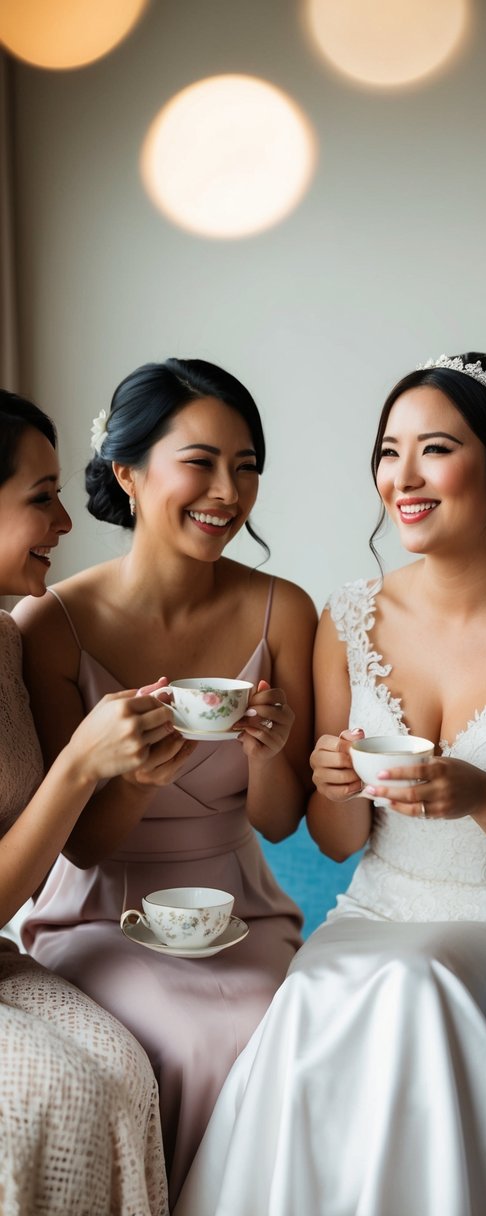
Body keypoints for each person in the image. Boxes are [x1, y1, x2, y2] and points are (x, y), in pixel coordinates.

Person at [174, 350, 486, 1216]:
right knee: (317, 989)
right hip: (376, 911)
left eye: (434, 449)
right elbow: (333, 841)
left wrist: (482, 794)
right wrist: (337, 783)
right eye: (388, 451)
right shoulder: (347, 617)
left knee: (412, 985)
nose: (403, 477)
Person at [14, 359, 316, 1203]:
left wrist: (266, 748)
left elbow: (283, 821)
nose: (229, 489)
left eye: (247, 464)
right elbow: (80, 840)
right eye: (201, 460)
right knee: (193, 1036)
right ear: (128, 472)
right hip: (100, 912)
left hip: (241, 904)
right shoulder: (51, 624)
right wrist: (142, 778)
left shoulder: (281, 610)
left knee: (275, 1024)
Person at [0, 389, 169, 1215]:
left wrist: (138, 768)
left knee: (124, 1069)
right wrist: (78, 765)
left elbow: (36, 867)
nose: (66, 521)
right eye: (42, 498)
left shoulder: (6, 639)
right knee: (55, 1098)